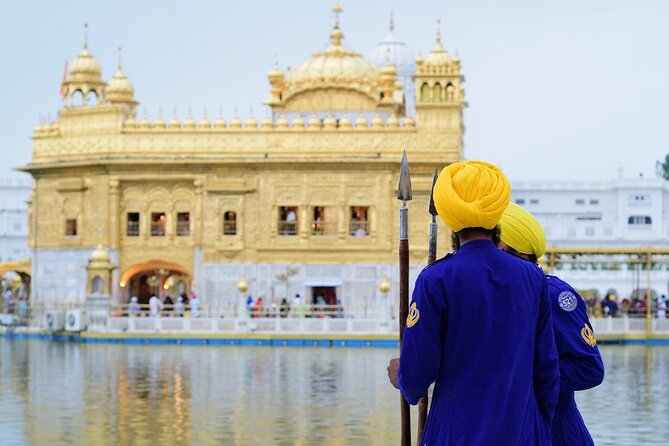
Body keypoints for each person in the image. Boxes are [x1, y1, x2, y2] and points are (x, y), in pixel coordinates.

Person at [387, 160, 559, 445]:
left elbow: (418, 376)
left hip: (457, 434)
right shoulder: (532, 277)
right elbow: (547, 369)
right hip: (522, 432)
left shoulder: (437, 278)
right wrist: (538, 428)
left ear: (450, 218)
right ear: (497, 213)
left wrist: (403, 378)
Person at [499, 202, 605, 446]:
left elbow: (589, 369)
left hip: (555, 432)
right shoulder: (497, 293)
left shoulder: (552, 293)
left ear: (502, 248)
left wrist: (524, 374)